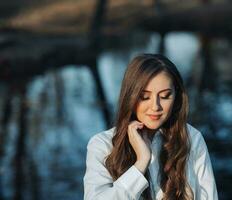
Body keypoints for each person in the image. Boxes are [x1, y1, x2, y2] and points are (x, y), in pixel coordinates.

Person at [83, 53, 218, 200]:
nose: (155, 106)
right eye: (145, 97)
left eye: (165, 96)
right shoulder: (102, 145)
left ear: (177, 97)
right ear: (131, 97)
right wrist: (141, 163)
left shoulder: (192, 138)